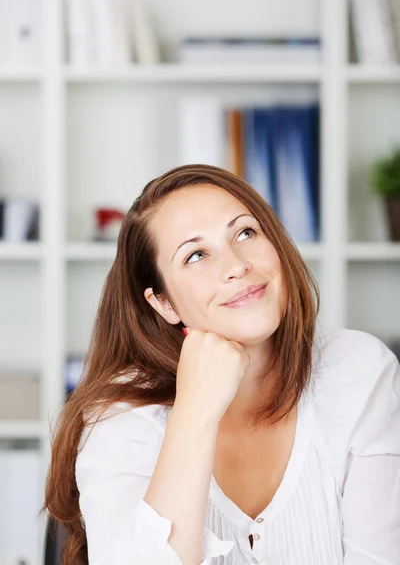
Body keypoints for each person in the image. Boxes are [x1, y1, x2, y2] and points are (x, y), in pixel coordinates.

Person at [43, 164, 400, 565]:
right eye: (196, 255)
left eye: (245, 233)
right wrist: (194, 412)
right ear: (164, 303)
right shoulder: (122, 419)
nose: (236, 265)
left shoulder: (358, 371)